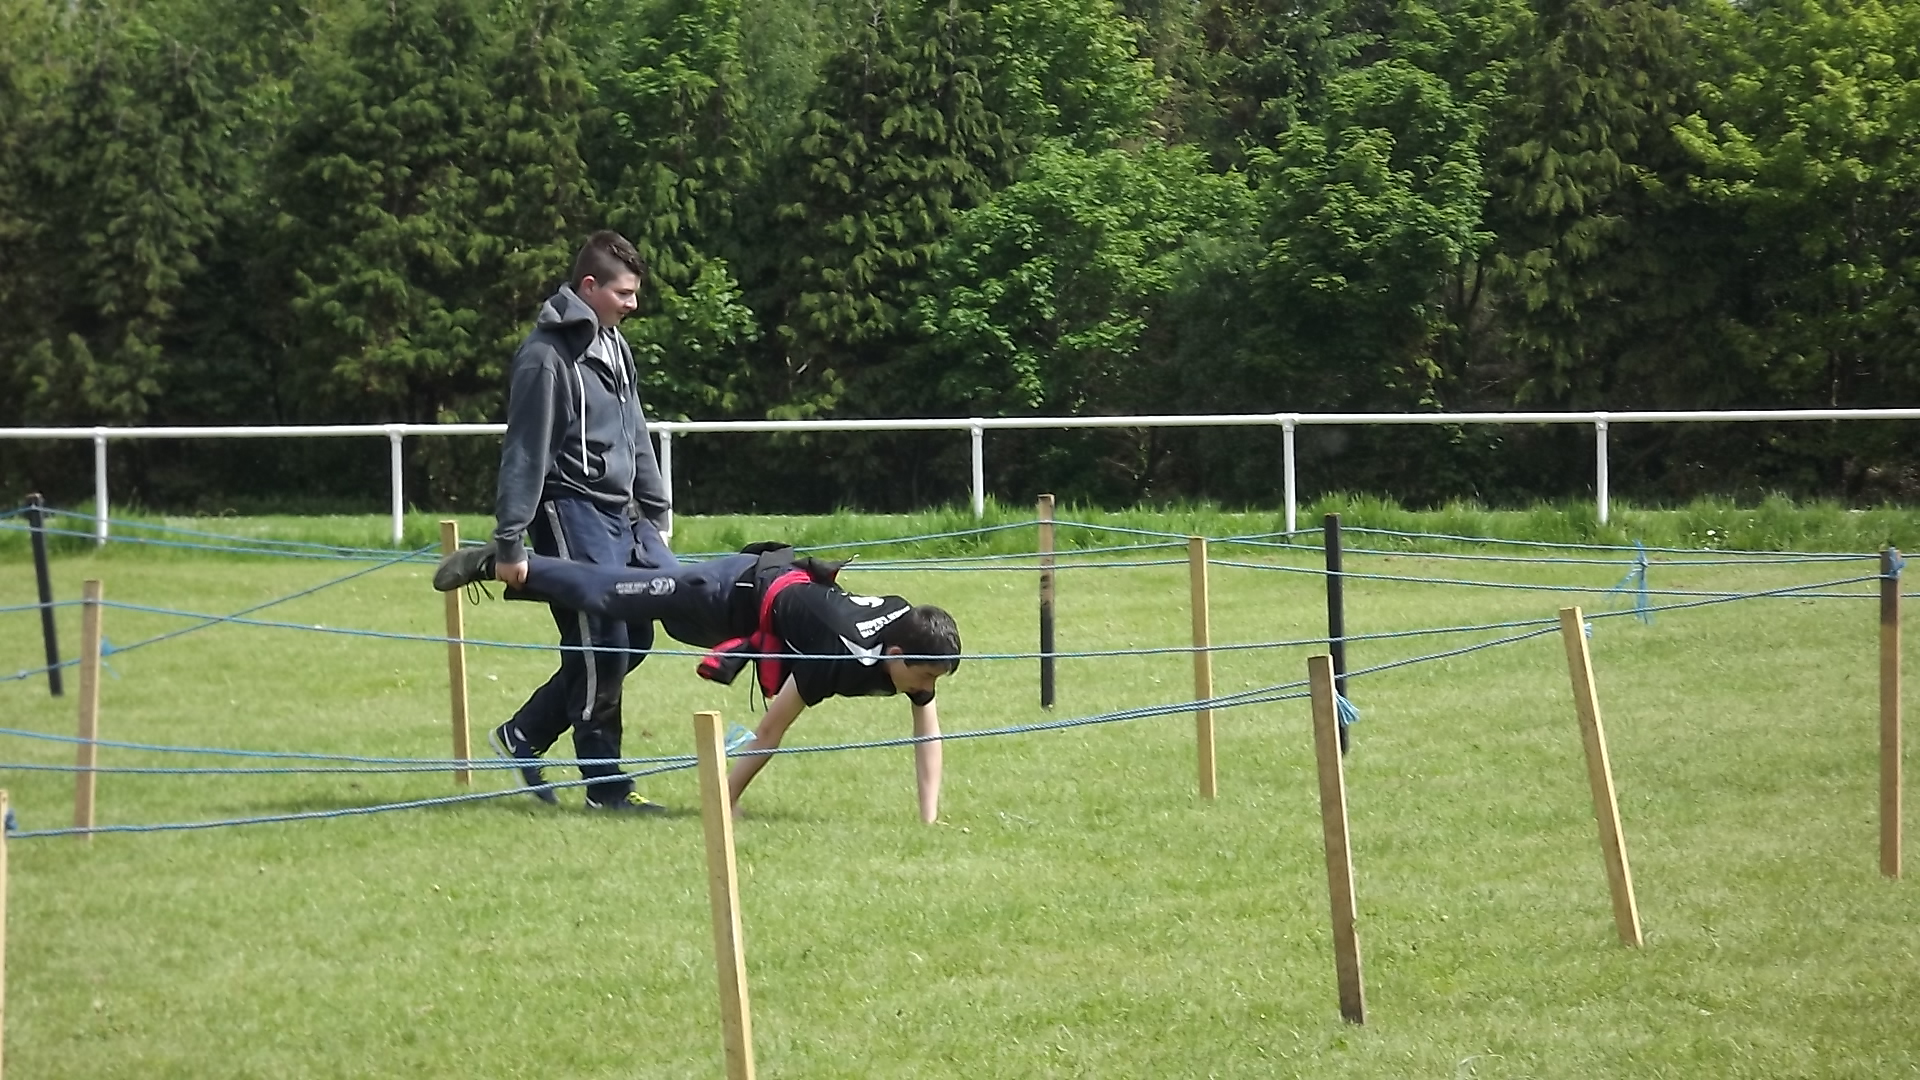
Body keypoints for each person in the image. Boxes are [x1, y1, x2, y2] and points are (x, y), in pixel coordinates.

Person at [435, 543, 961, 821]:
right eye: (923, 676)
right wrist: (722, 802)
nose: (924, 688)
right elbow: (770, 732)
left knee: (641, 598)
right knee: (615, 595)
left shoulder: (908, 638)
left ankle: (524, 728)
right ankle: (499, 560)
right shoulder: (837, 655)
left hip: (754, 607)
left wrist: (929, 819)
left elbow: (927, 731)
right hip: (728, 592)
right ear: (895, 654)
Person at [486, 230, 674, 814]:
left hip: (622, 517)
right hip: (568, 510)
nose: (633, 304)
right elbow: (525, 452)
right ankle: (606, 789)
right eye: (623, 293)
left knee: (635, 635)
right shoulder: (545, 357)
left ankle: (524, 734)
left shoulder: (615, 344)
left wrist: (656, 508)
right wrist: (509, 542)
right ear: (588, 287)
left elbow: (635, 430)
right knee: (602, 641)